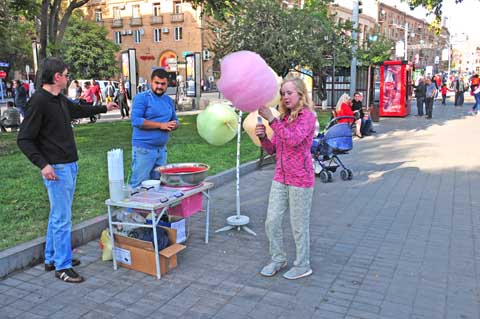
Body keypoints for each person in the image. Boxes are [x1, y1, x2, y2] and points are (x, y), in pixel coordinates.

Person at [17, 57, 118, 283]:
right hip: (56, 169)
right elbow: (24, 139)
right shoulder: (39, 102)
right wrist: (43, 165)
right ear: (57, 77)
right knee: (63, 219)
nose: (68, 77)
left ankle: (52, 258)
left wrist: (104, 107)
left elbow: (79, 109)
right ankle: (62, 266)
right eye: (66, 74)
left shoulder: (59, 99)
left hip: (69, 165)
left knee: (58, 215)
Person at [255, 76, 316, 280]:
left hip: (301, 179)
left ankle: (303, 264)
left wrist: (271, 120)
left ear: (300, 94)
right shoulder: (282, 119)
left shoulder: (307, 117)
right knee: (271, 221)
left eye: (289, 92)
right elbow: (275, 149)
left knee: (298, 226)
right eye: (283, 93)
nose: (285, 96)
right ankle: (278, 258)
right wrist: (263, 137)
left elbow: (294, 140)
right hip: (280, 177)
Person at [129, 68, 179, 189]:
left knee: (158, 185)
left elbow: (175, 119)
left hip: (161, 151)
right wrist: (161, 125)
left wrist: (174, 125)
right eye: (157, 83)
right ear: (151, 82)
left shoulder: (168, 101)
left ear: (167, 84)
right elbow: (136, 121)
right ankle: (133, 208)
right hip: (144, 150)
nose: (159, 86)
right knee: (139, 185)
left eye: (163, 84)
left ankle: (155, 209)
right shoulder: (142, 98)